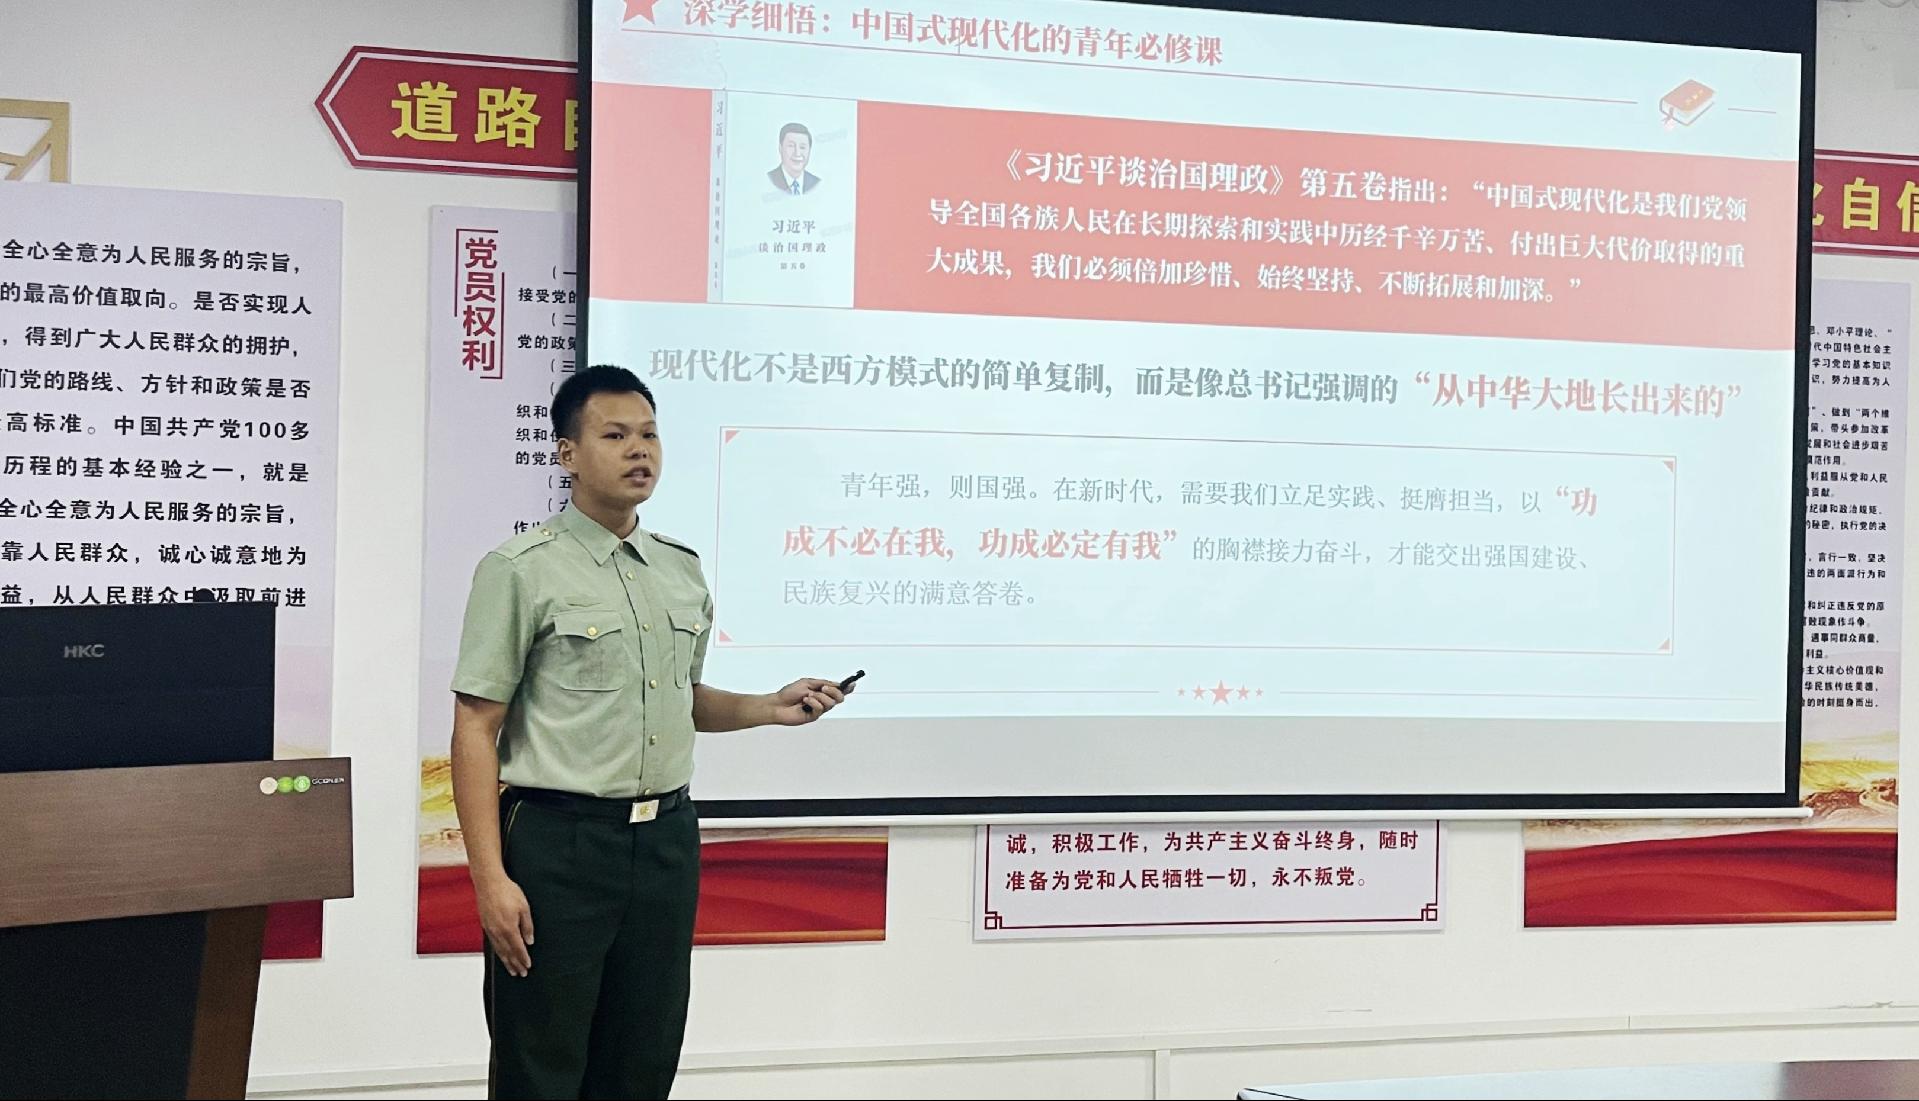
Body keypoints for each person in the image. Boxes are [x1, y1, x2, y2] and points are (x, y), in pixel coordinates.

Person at [449, 364, 850, 1099]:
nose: (639, 450)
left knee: (643, 1058)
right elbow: (476, 726)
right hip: (558, 845)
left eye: (649, 435)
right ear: (568, 454)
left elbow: (682, 701)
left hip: (665, 843)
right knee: (541, 1066)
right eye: (615, 436)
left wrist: (769, 705)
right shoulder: (519, 570)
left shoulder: (679, 570)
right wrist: (490, 879)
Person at [767, 121, 819, 195]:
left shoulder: (816, 183)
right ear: (780, 148)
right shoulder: (769, 179)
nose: (797, 153)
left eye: (802, 147)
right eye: (791, 146)